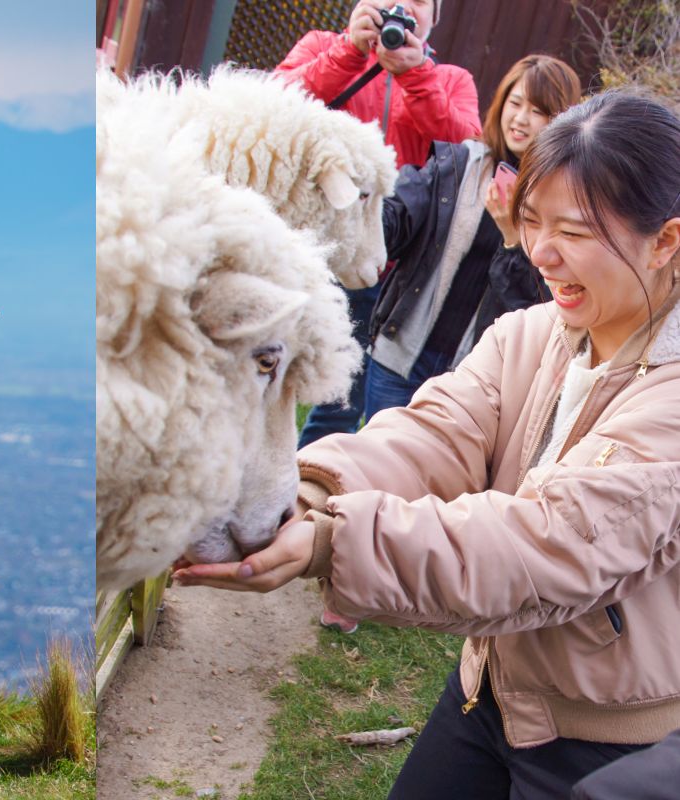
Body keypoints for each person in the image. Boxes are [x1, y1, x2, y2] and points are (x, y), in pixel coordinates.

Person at [174, 93, 680, 797]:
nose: (541, 251)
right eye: (530, 221)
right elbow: (434, 433)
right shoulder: (532, 336)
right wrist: (313, 492)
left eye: (575, 230)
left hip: (605, 745)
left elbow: (555, 541)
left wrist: (331, 543)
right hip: (488, 691)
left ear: (665, 241)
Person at [276, 0, 484, 446]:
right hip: (302, 248)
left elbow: (466, 146)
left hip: (381, 261)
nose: (405, 8)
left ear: (434, 18)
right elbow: (277, 105)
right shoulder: (322, 47)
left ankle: (309, 484)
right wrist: (348, 52)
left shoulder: (450, 80)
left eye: (420, 2)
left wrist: (416, 76)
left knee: (342, 401)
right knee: (266, 370)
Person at [361, 55, 582, 423]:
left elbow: (536, 307)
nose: (521, 119)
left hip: (470, 380)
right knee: (373, 464)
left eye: (538, 110)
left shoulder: (560, 203)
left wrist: (514, 237)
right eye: (515, 103)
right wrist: (365, 194)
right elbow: (396, 224)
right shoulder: (460, 163)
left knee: (431, 479)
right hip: (401, 358)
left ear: (560, 120)